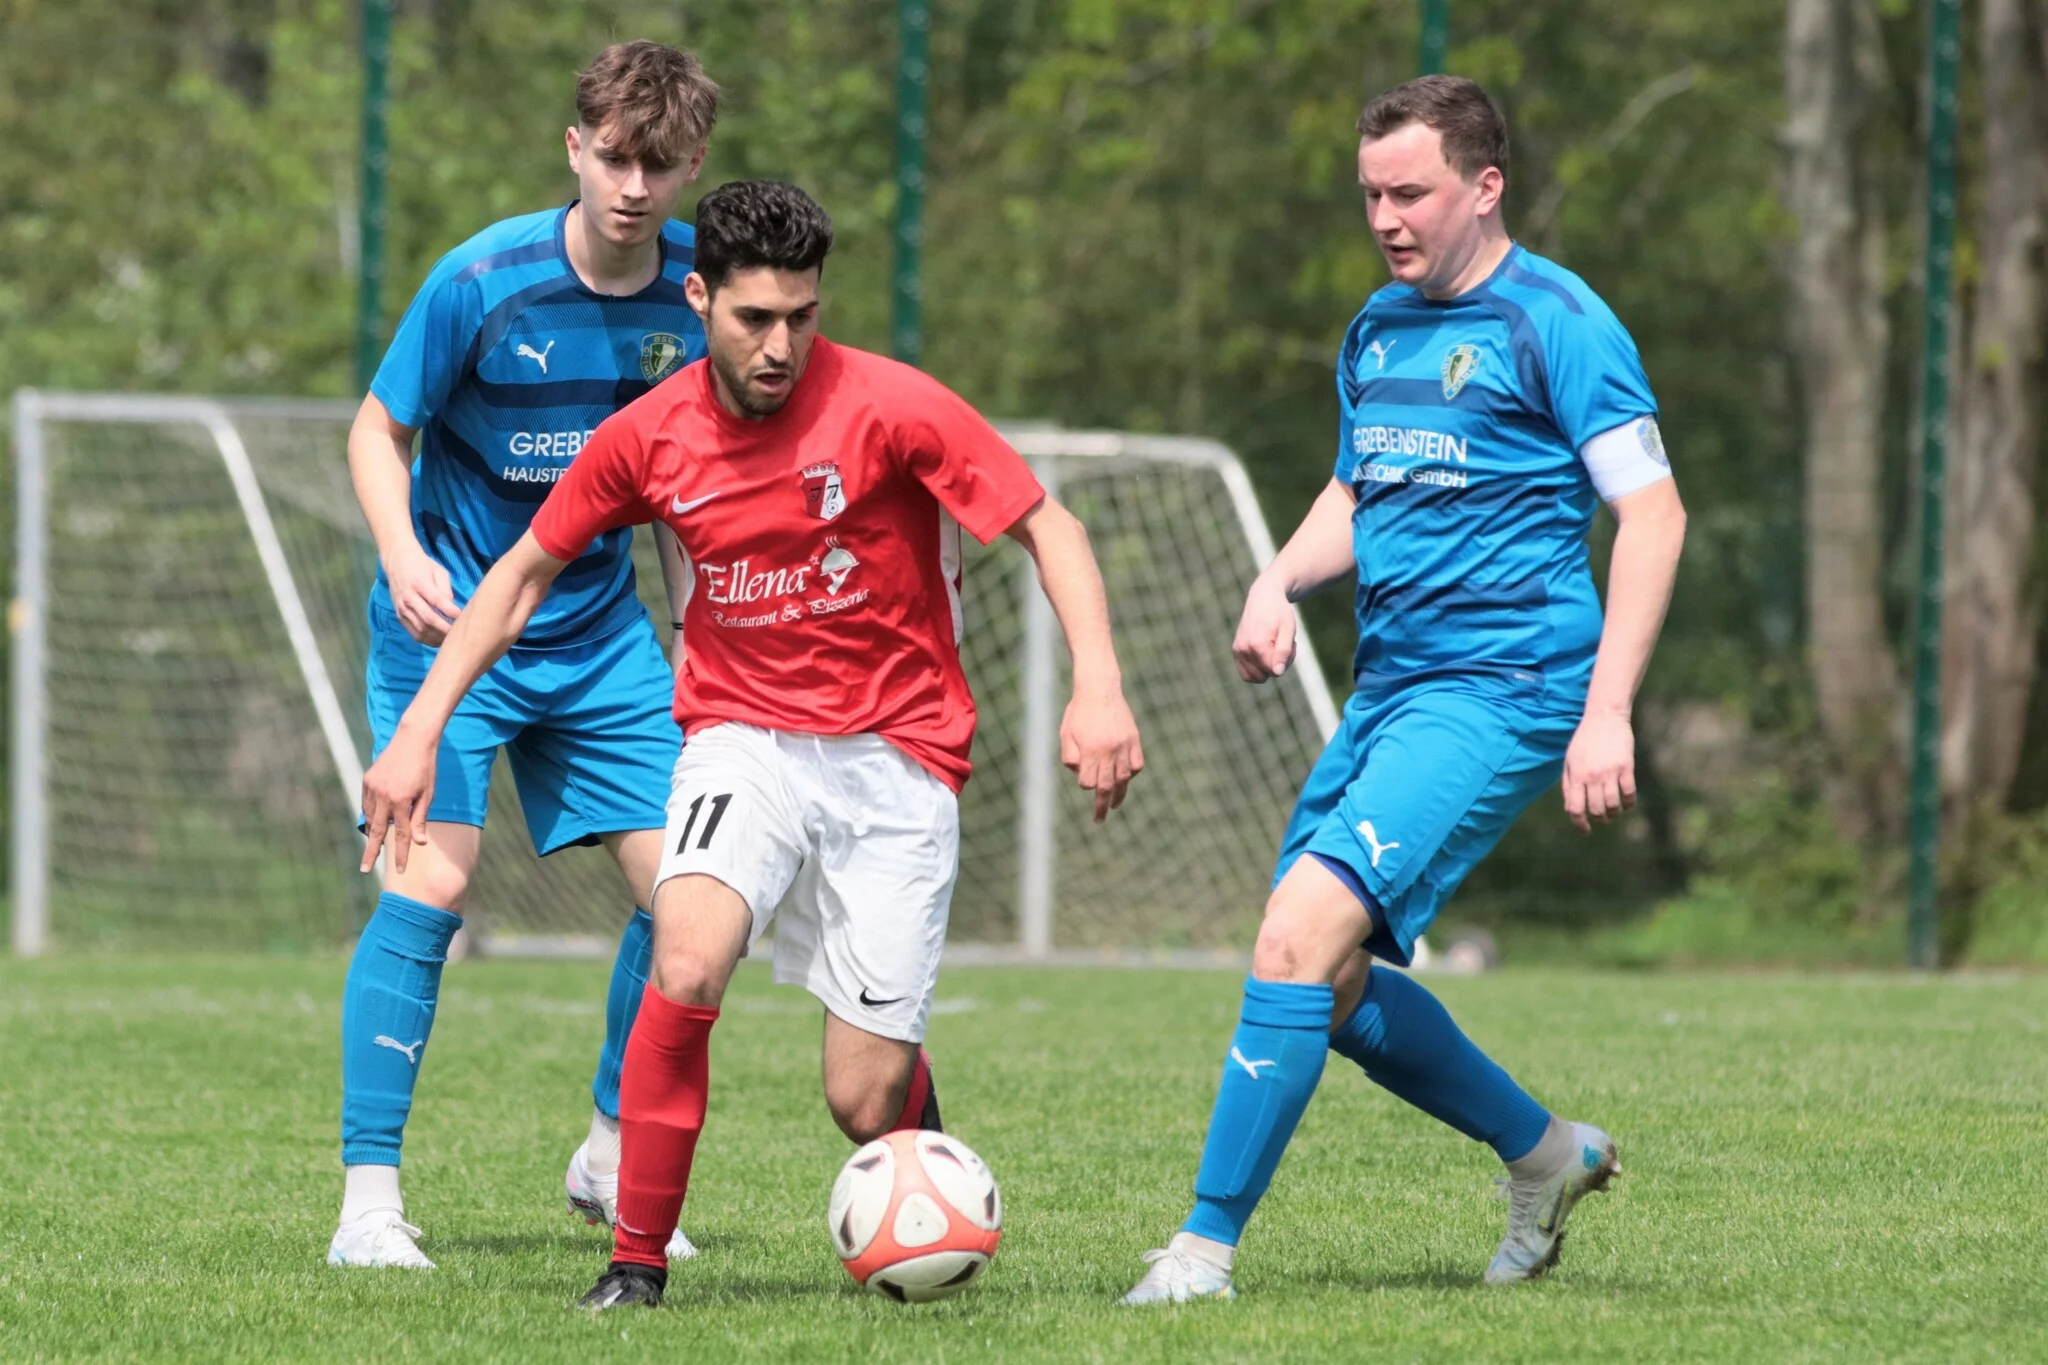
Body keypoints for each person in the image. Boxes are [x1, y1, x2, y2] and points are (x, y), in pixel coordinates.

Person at [358, 179, 1147, 1311]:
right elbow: (519, 576)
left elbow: (1046, 527)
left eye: (801, 316)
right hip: (742, 742)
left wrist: (1098, 687)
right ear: (699, 300)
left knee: (859, 1100)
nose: (780, 346)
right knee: (685, 959)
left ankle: (920, 1157)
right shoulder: (650, 433)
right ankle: (634, 1264)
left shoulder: (892, 405)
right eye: (753, 319)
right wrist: (419, 730)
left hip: (896, 754)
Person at [1121, 74, 1687, 1303]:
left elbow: (1652, 514)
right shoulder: (1376, 326)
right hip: (1391, 688)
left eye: (1410, 193)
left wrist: (1605, 712)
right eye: (1370, 194)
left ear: (1483, 187)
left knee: (1293, 934)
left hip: (1504, 686)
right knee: (1320, 981)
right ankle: (1544, 1155)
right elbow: (1356, 487)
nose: (1384, 218)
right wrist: (1277, 579)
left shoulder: (1558, 322)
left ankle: (1201, 1254)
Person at [329, 41, 719, 1271]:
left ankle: (608, 1151)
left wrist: (702, 640)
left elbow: (691, 490)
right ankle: (367, 1206)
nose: (633, 185)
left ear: (691, 166)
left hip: (598, 636)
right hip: (450, 629)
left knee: (694, 901)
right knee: (430, 887)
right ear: (574, 149)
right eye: (613, 157)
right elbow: (376, 430)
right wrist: (401, 552)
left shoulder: (701, 295)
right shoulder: (479, 279)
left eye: (659, 163)